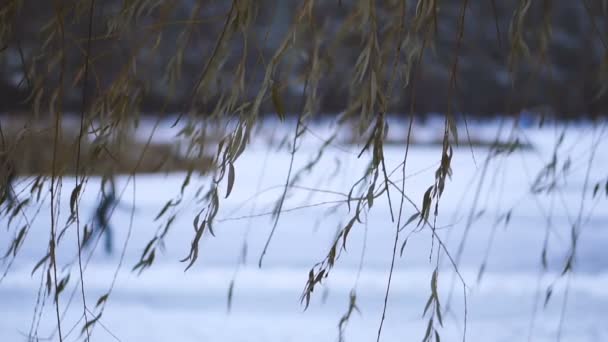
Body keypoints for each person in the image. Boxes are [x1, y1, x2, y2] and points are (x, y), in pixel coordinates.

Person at [93, 176, 117, 255]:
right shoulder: (110, 197)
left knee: (97, 232)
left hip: (100, 216)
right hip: (101, 216)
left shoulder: (110, 197)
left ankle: (85, 244)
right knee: (108, 232)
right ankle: (108, 248)